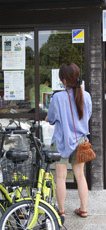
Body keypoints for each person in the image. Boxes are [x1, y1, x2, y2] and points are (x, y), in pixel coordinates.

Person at [45, 63, 92, 220]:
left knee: (60, 177)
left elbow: (50, 118)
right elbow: (87, 115)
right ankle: (84, 209)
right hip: (80, 141)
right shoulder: (86, 95)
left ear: (64, 80)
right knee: (80, 176)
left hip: (62, 141)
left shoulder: (58, 97)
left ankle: (62, 211)